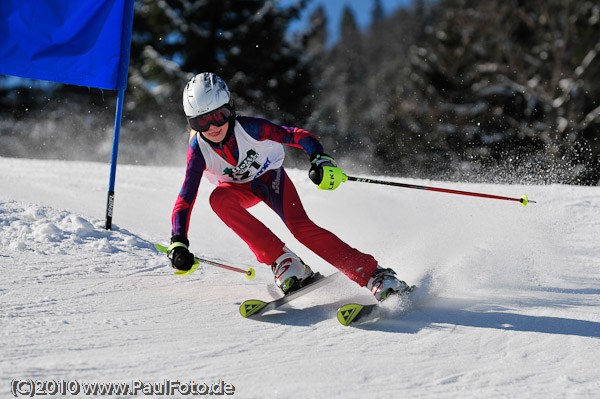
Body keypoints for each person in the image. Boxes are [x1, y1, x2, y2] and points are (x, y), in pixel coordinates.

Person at [167, 72, 409, 301]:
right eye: (200, 122)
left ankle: (375, 275)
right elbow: (185, 197)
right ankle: (284, 261)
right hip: (238, 190)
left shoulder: (250, 128)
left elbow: (298, 135)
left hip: (270, 179)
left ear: (230, 109)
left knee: (301, 228)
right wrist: (178, 241)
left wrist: (319, 158)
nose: (211, 127)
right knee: (218, 199)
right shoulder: (199, 149)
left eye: (218, 116)